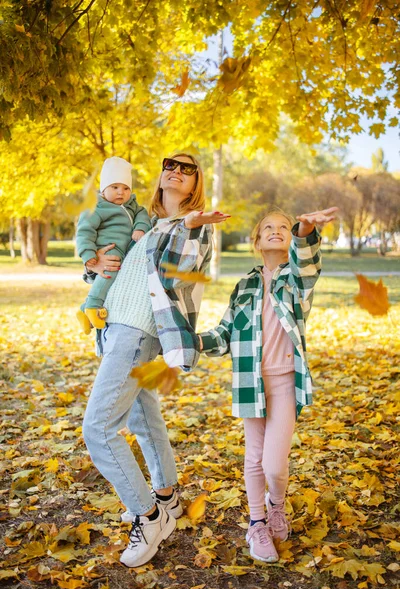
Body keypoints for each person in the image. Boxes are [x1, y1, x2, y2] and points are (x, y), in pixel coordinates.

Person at [81, 153, 230, 568]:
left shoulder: (194, 226)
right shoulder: (140, 220)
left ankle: (149, 517)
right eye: (171, 164)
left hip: (137, 330)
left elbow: (176, 275)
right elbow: (116, 271)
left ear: (196, 182)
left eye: (188, 169)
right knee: (140, 418)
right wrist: (94, 264)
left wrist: (190, 227)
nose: (176, 171)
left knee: (98, 427)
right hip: (114, 327)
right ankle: (166, 496)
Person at [198, 206, 338, 563]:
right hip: (249, 381)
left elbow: (307, 262)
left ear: (290, 239)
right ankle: (257, 522)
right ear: (256, 241)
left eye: (283, 228)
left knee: (275, 464)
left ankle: (277, 504)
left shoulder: (295, 279)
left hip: (285, 383)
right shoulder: (244, 285)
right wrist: (194, 342)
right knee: (254, 458)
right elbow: (224, 333)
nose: (277, 231)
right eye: (268, 228)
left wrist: (305, 227)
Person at [76, 156, 151, 333]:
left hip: (124, 253)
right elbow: (84, 231)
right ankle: (92, 307)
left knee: (114, 284)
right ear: (103, 189)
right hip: (108, 249)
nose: (121, 192)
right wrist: (88, 255)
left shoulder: (132, 205)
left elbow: (143, 215)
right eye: (115, 187)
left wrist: (140, 228)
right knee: (109, 271)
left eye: (126, 188)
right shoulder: (96, 207)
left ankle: (82, 310)